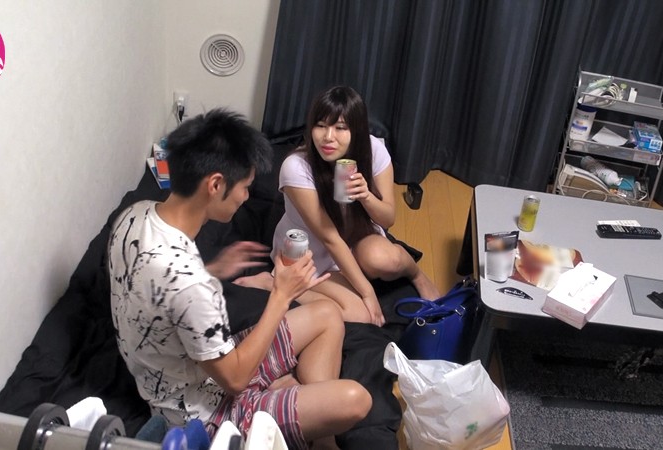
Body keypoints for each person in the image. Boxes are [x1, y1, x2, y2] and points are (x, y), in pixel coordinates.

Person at [108, 109, 371, 449]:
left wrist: (214, 270)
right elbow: (234, 380)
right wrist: (280, 294)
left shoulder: (135, 214)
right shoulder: (192, 285)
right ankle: (310, 427)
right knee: (354, 400)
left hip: (200, 365)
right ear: (216, 185)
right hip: (203, 413)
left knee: (328, 314)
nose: (246, 197)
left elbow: (157, 288)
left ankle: (305, 416)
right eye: (245, 188)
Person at [236, 86, 441, 326]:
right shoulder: (296, 167)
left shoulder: (373, 150)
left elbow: (388, 219)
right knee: (361, 316)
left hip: (357, 234)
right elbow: (330, 237)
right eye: (320, 125)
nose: (328, 137)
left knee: (386, 259)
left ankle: (417, 275)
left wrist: (366, 196)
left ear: (357, 130)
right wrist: (368, 293)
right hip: (312, 249)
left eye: (341, 128)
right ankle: (271, 284)